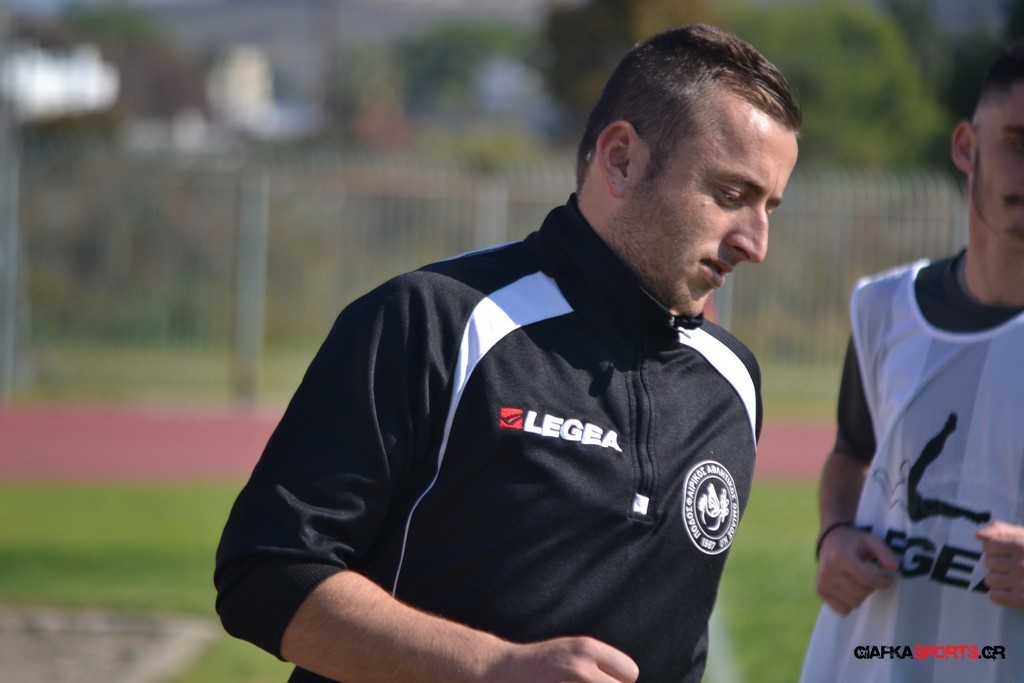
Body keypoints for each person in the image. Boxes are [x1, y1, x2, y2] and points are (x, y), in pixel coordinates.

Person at [215, 23, 801, 683]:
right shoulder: (432, 322)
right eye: (731, 195)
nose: (756, 243)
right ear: (621, 160)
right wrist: (490, 667)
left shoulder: (732, 382)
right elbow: (264, 572)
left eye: (771, 207)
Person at [801, 40, 1024, 683]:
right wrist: (835, 533)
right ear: (966, 147)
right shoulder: (884, 307)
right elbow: (853, 451)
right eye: (1018, 142)